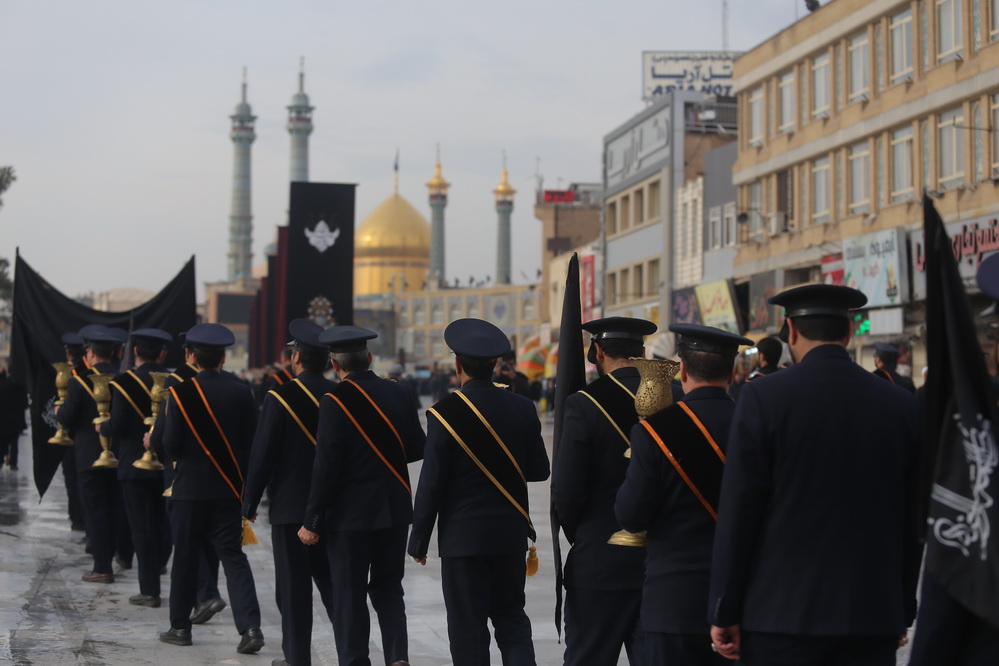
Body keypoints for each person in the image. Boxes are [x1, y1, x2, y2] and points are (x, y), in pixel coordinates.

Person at [708, 285, 922, 665]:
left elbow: (740, 510)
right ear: (850, 332)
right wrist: (902, 606)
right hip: (870, 615)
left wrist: (725, 608)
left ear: (790, 331)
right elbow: (912, 518)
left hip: (780, 616)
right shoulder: (901, 403)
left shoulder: (763, 397)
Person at [408, 318, 551, 666]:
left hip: (463, 540)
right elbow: (540, 470)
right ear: (496, 366)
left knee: (467, 628)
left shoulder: (443, 415)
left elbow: (432, 483)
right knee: (511, 619)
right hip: (509, 536)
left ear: (458, 366)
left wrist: (419, 541)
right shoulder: (522, 407)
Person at [616, 324, 751, 665]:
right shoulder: (757, 425)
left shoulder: (654, 431)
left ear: (684, 370)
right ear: (732, 372)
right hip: (746, 599)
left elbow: (631, 516)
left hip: (674, 601)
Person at [299, 325, 426, 666]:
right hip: (395, 509)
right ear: (369, 358)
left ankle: (355, 661)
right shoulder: (399, 393)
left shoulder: (334, 401)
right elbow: (416, 447)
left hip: (350, 516)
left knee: (349, 595)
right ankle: (398, 658)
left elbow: (325, 466)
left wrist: (311, 520)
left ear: (335, 365)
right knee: (389, 589)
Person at [552, 316, 657, 666]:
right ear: (642, 352)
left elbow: (567, 493)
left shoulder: (583, 404)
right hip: (661, 563)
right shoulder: (674, 397)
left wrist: (583, 535)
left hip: (600, 562)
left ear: (596, 352)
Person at [157, 323, 264, 654]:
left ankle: (180, 626)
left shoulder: (179, 393)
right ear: (223, 358)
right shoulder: (241, 391)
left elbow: (170, 445)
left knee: (186, 558)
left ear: (190, 356)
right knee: (233, 557)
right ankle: (250, 628)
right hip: (227, 490)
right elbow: (251, 445)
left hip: (188, 489)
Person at [243, 320, 336, 666]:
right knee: (334, 588)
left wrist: (250, 502)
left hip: (289, 507)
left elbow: (262, 454)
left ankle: (297, 658)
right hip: (332, 509)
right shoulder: (339, 394)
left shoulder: (279, 397)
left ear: (295, 358)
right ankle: (351, 654)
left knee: (293, 590)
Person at [103, 328, 173, 607]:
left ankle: (150, 589)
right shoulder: (172, 381)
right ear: (163, 353)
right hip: (166, 463)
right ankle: (159, 565)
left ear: (135, 352)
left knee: (141, 528)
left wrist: (102, 425)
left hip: (133, 462)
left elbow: (117, 425)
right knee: (163, 523)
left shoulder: (124, 382)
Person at [56, 324, 123, 583]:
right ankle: (112, 556)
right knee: (114, 508)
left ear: (91, 353)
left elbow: (68, 417)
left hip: (87, 454)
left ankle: (102, 566)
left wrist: (58, 411)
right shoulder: (123, 380)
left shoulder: (78, 381)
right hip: (116, 453)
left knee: (95, 510)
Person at [0, 367, 27, 470]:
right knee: (14, 442)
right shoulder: (16, 386)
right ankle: (13, 463)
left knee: (1, 441)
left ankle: (1, 460)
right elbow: (24, 404)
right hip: (15, 420)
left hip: (2, 420)